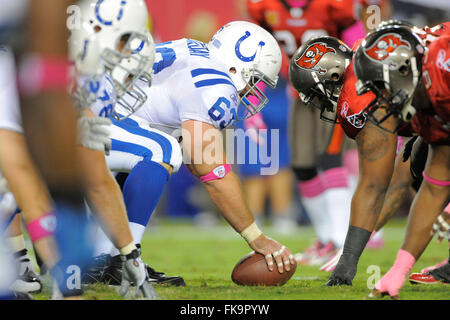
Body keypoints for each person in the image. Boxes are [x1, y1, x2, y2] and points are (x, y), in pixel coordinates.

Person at [85, 19, 296, 274]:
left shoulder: (195, 49)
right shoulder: (217, 86)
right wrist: (256, 236)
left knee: (143, 154)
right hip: (90, 115)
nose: (252, 89)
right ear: (236, 66)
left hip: (92, 106)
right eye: (254, 79)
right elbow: (212, 172)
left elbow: (198, 163)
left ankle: (103, 260)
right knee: (162, 150)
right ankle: (127, 260)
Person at [288, 21, 450, 284]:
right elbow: (397, 179)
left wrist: (348, 261)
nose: (322, 104)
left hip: (442, 85)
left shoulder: (357, 97)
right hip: (438, 85)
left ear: (334, 77)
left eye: (318, 96)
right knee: (422, 167)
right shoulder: (367, 54)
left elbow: (375, 186)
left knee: (429, 167)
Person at [246, 0, 377, 266]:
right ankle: (326, 238)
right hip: (299, 92)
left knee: (330, 160)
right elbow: (258, 44)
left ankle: (342, 242)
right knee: (303, 166)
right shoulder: (264, 6)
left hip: (335, 92)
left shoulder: (333, 5)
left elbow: (359, 42)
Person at [352, 27, 449, 299]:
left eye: (382, 89)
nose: (382, 100)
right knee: (423, 168)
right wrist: (399, 269)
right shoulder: (424, 103)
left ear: (404, 70)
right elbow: (435, 188)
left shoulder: (445, 63)